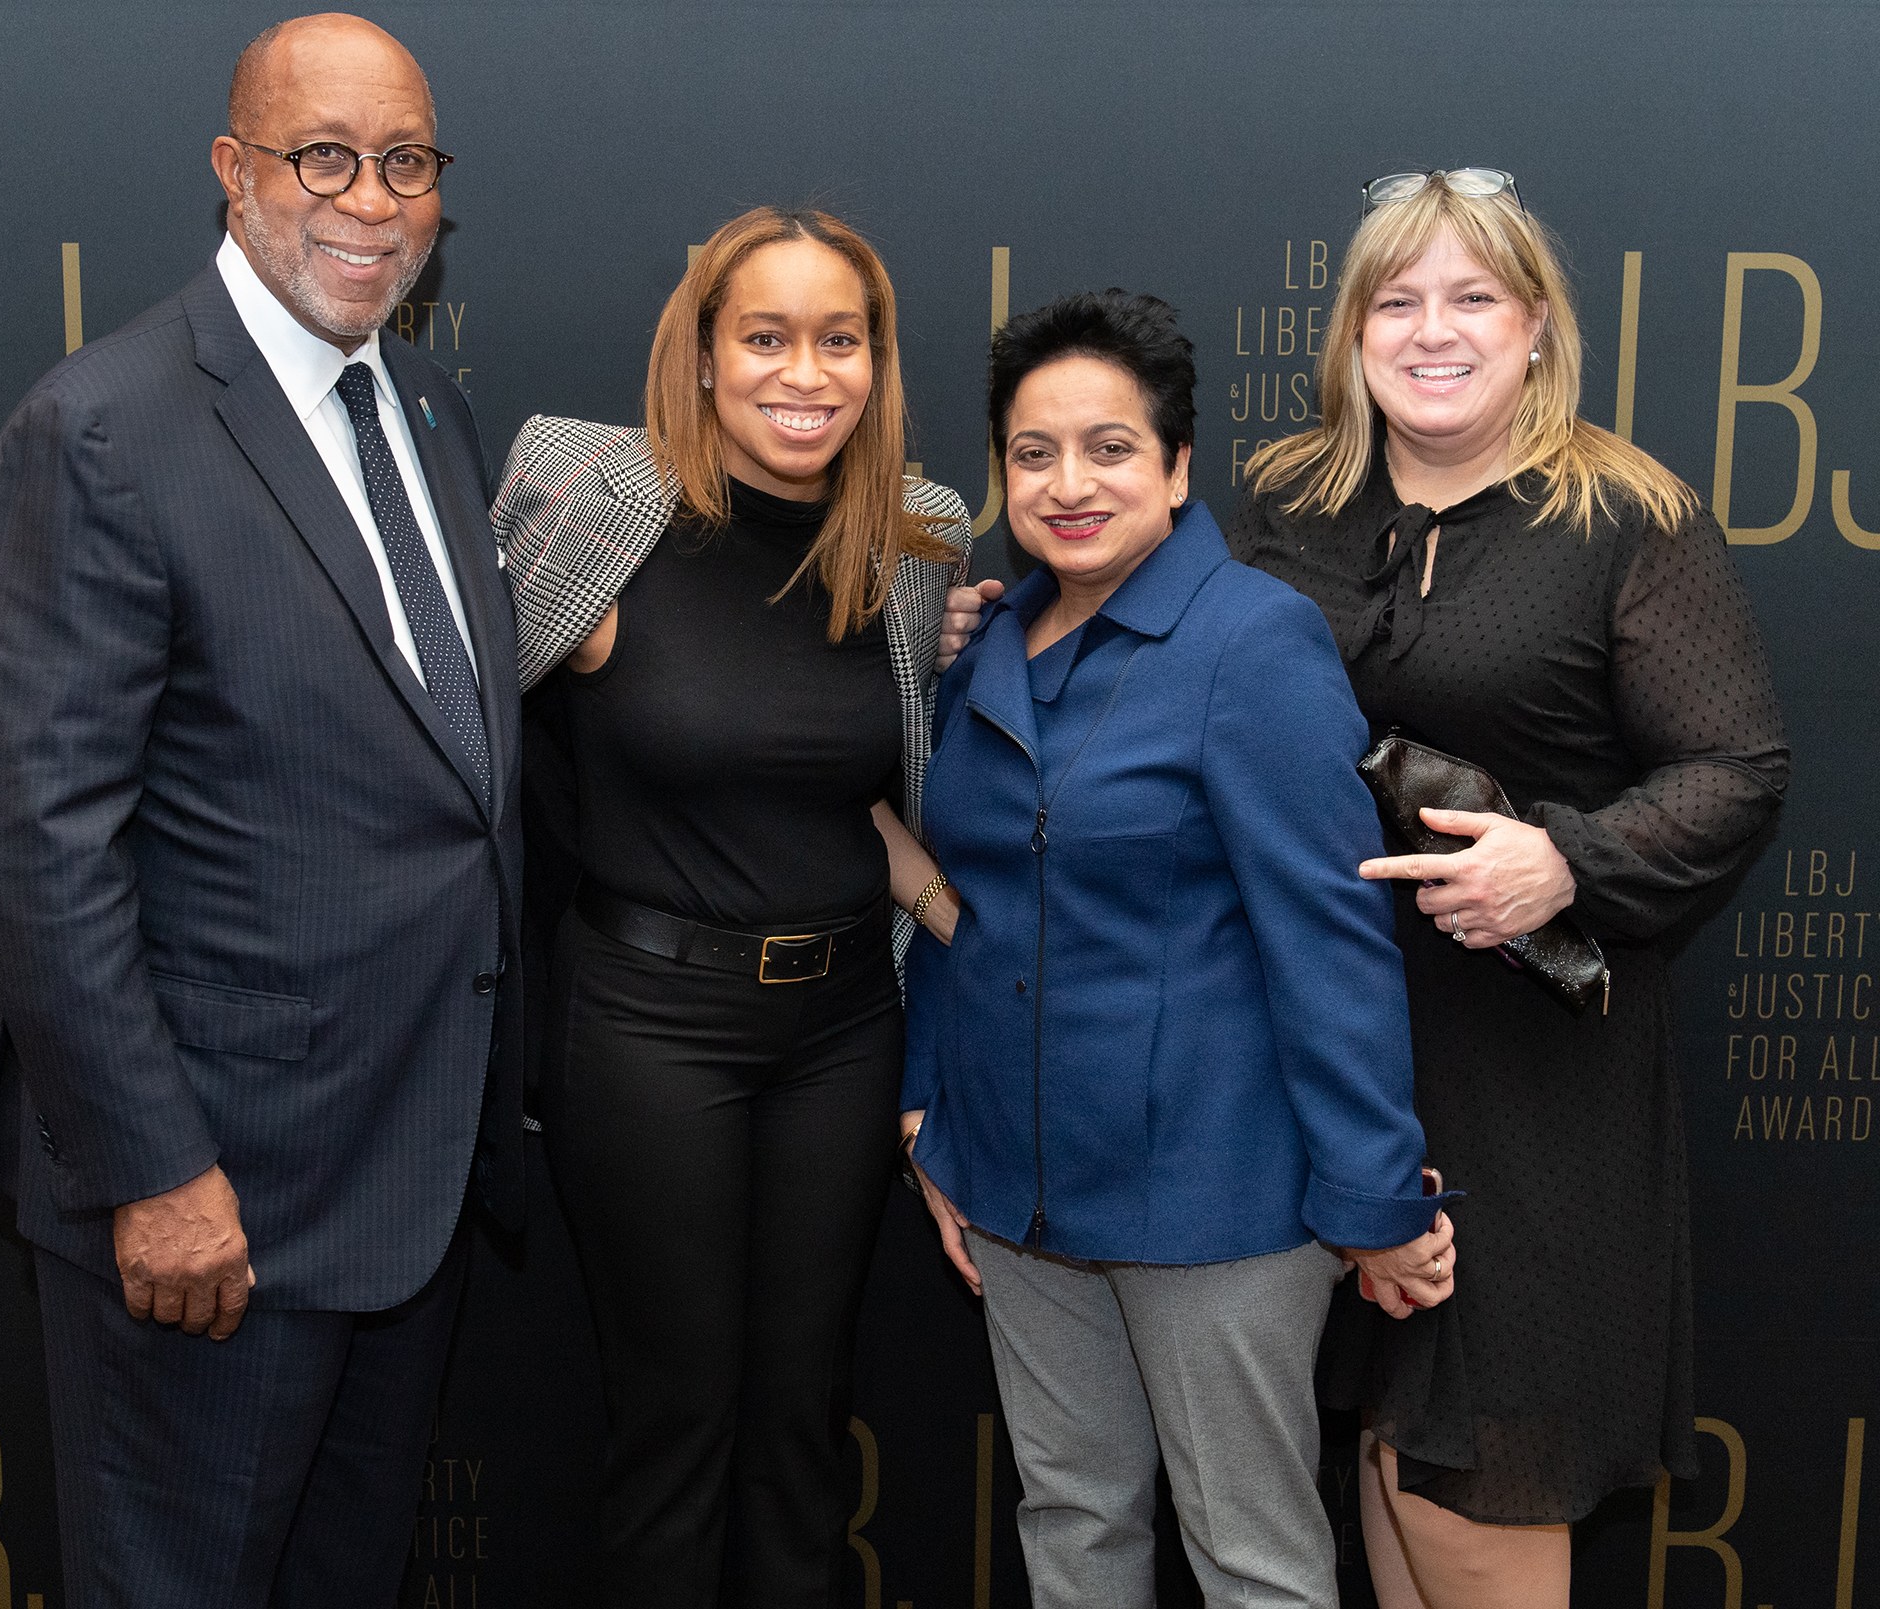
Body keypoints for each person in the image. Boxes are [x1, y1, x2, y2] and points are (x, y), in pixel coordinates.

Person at [0, 15, 523, 1606]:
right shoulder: (105, 428)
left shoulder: (426, 408)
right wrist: (154, 1169)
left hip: (405, 1181)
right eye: (322, 158)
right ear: (233, 170)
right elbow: (34, 841)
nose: (370, 201)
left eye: (405, 162)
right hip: (216, 1208)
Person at [1227, 169, 1789, 1609]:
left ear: (1536, 325)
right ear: (1352, 332)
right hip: (1335, 1048)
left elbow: (1736, 768)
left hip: (1533, 1072)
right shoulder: (1289, 502)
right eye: (1397, 301)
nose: (1434, 330)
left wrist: (1564, 859)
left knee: (1478, 1462)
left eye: (1473, 297)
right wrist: (998, 623)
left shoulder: (1628, 514)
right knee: (1392, 1439)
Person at [901, 288, 1455, 1609]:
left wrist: (1376, 1203)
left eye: (1110, 448)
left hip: (1214, 1205)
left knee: (1251, 1559)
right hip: (1018, 1192)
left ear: (1177, 466)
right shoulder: (990, 649)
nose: (1069, 484)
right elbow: (961, 902)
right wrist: (929, 1107)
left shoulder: (1253, 640)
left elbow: (1330, 942)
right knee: (1072, 1525)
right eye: (1034, 453)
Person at [490, 205, 972, 1608]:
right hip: (648, 1028)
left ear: (877, 362)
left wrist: (985, 940)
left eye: (841, 340)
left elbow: (845, 803)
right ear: (702, 354)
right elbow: (458, 738)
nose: (805, 373)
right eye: (766, 337)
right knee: (677, 1429)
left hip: (843, 1031)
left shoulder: (912, 541)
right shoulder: (592, 508)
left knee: (805, 1427)